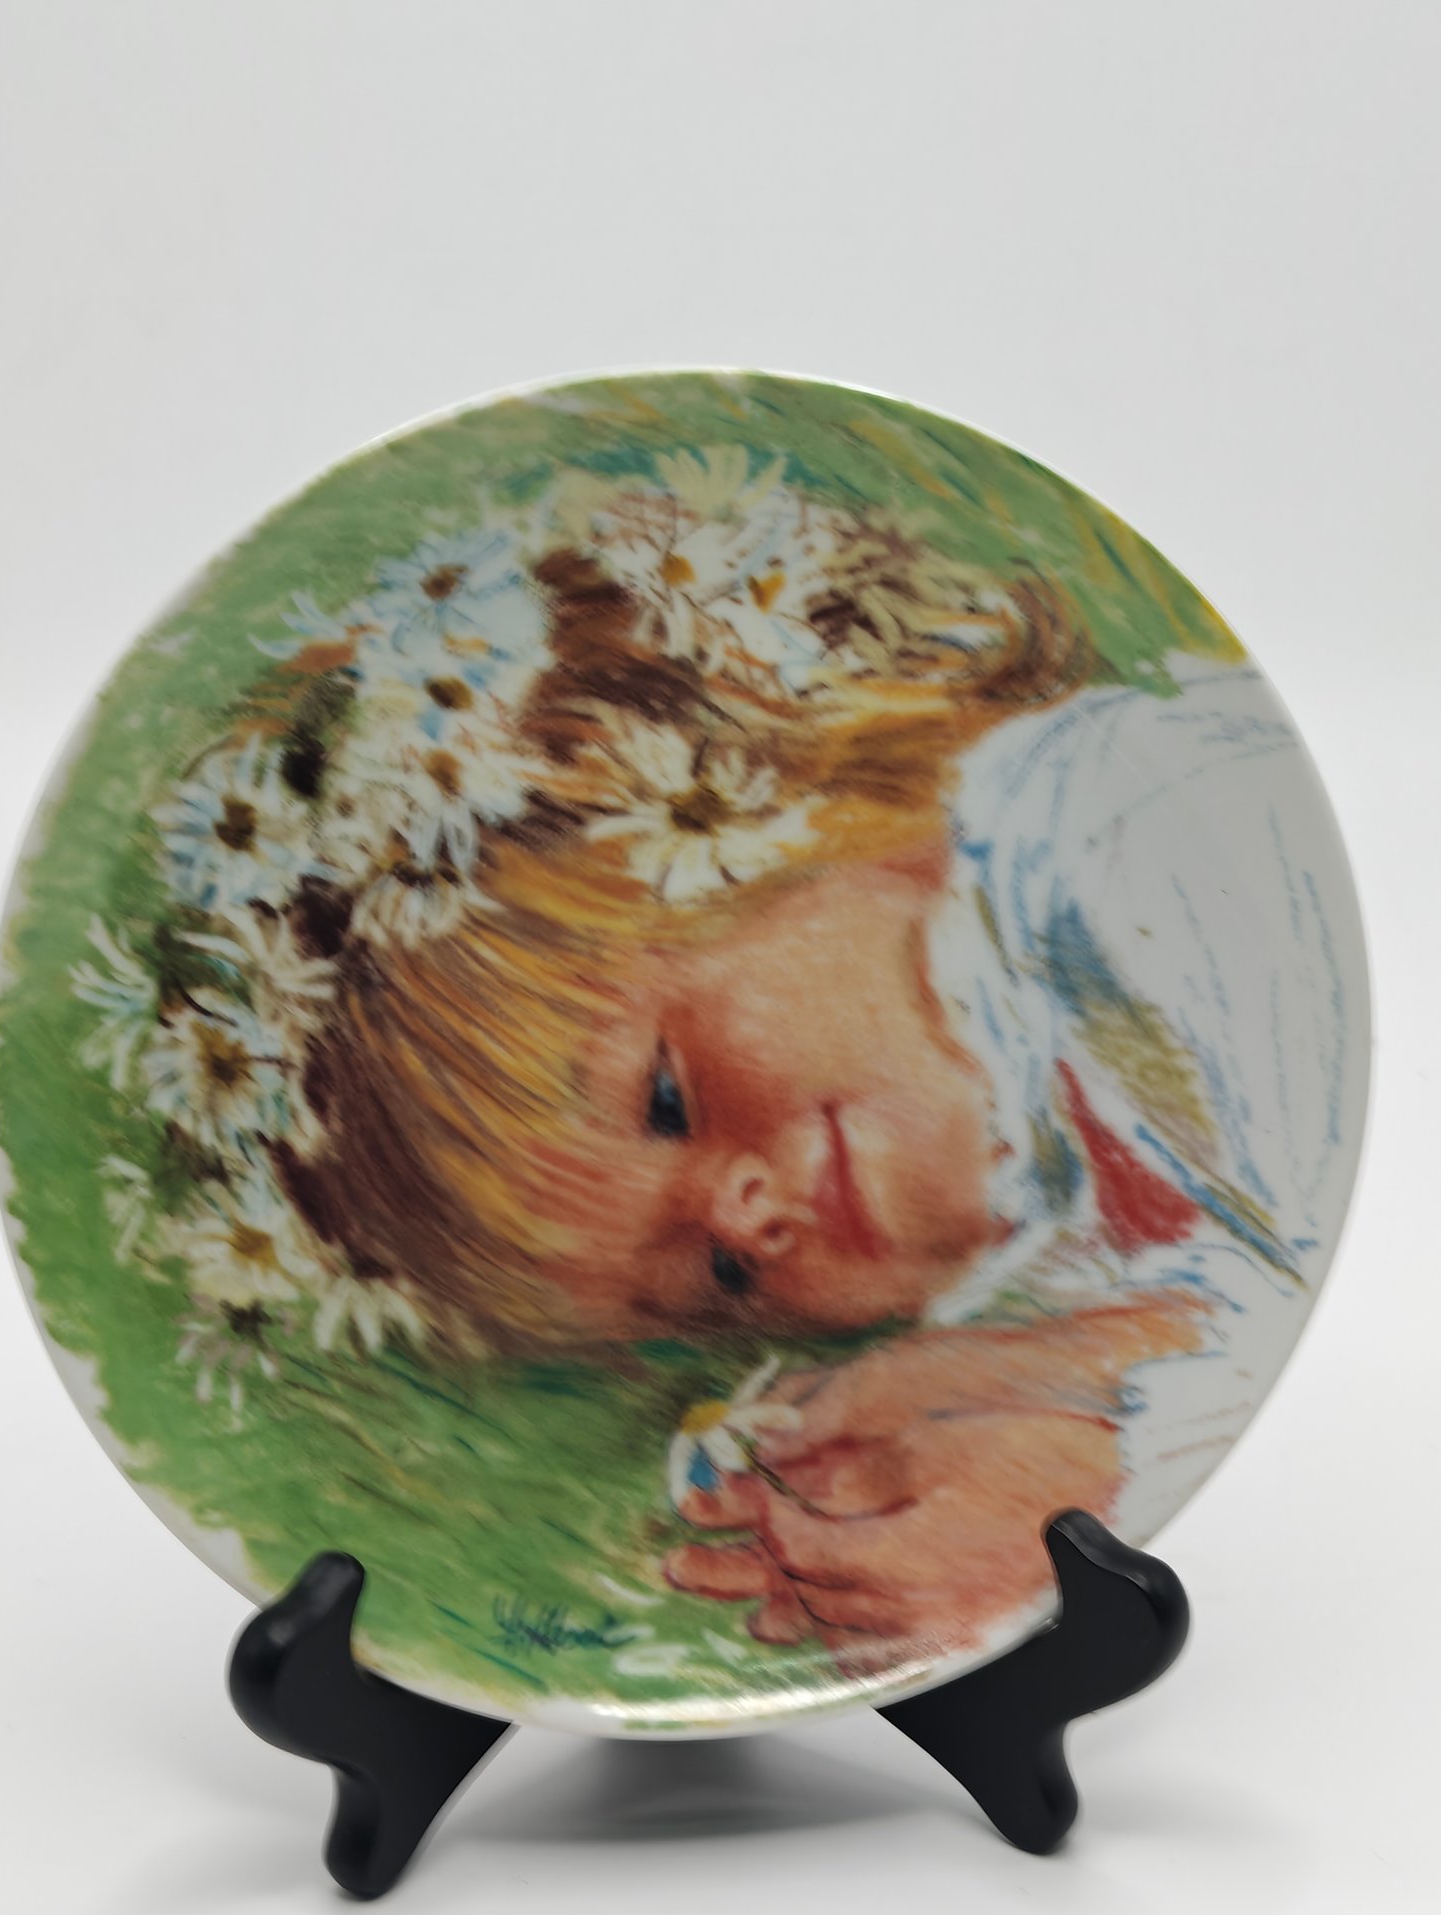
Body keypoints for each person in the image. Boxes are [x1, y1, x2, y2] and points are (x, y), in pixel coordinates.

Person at [84, 448, 1349, 1675]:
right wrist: (1030, 1397)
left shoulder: (1102, 834)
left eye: (667, 1098)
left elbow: (1280, 1279)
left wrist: (1100, 1456)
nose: (746, 1215)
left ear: (759, 816)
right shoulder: (1042, 1225)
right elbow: (1209, 1302)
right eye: (726, 1278)